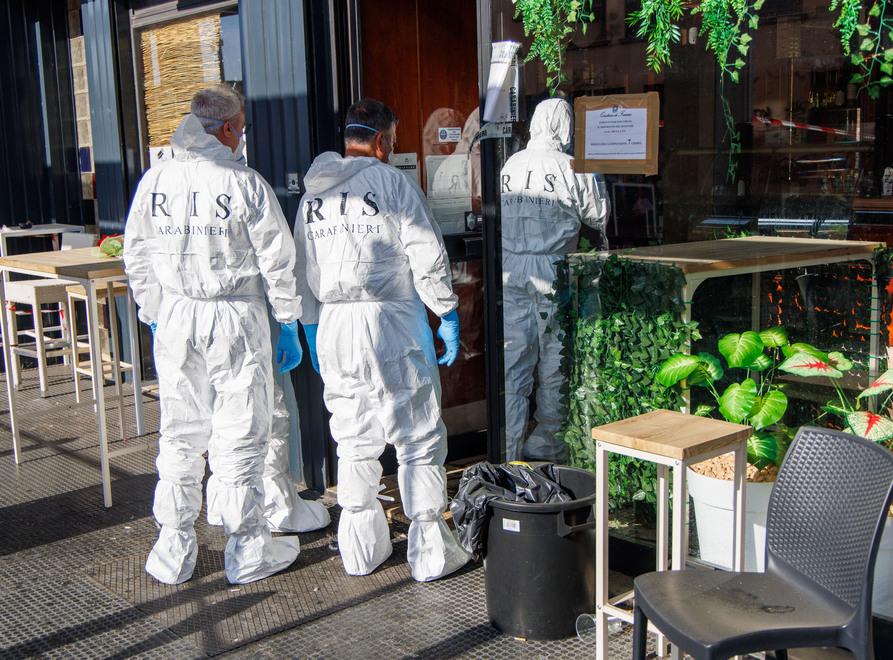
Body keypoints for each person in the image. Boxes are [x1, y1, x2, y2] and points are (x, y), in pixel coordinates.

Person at [124, 84, 313, 584]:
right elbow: (278, 259)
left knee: (181, 432)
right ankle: (247, 547)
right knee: (240, 431)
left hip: (177, 317)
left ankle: (173, 546)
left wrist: (154, 313)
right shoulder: (243, 182)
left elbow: (136, 255)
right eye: (243, 128)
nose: (243, 137)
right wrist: (289, 322)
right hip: (233, 318)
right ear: (229, 128)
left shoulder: (155, 181)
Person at [294, 98, 470, 582]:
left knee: (352, 434)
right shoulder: (392, 183)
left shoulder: (313, 197)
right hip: (391, 321)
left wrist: (308, 324)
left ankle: (360, 546)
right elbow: (426, 251)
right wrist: (446, 312)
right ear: (380, 140)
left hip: (334, 325)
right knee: (416, 432)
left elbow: (300, 267)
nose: (393, 149)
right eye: (392, 140)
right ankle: (430, 547)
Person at [500, 98, 609, 463]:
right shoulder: (572, 167)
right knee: (553, 362)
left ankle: (508, 447)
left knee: (513, 363)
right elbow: (598, 216)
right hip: (553, 271)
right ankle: (546, 445)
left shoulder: (510, 165)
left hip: (511, 270)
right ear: (566, 128)